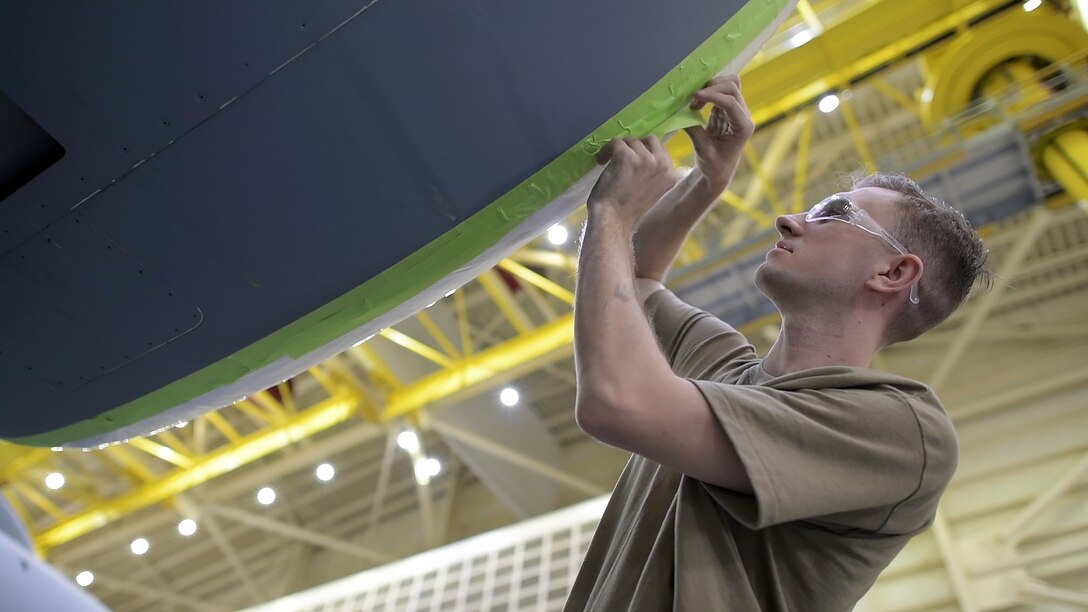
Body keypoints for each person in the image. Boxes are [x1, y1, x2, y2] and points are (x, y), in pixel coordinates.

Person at [565, 75, 992, 611]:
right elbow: (638, 277)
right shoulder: (721, 366)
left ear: (893, 272)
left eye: (832, 214)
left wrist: (611, 214)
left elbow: (616, 401)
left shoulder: (904, 434)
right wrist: (707, 179)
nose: (788, 220)